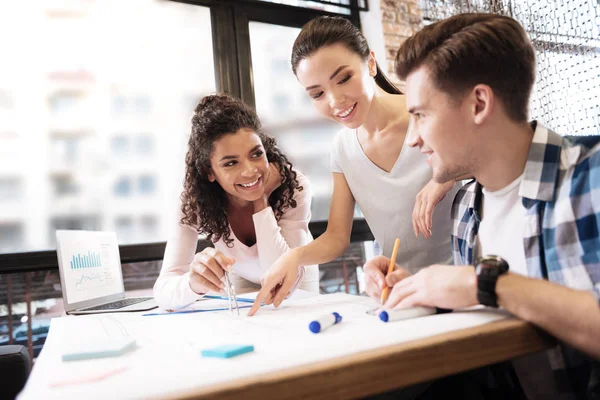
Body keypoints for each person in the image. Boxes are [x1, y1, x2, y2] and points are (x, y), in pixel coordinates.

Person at [364, 13, 599, 398]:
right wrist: (425, 292)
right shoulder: (467, 206)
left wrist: (483, 284)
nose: (413, 140)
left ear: (478, 103)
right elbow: (489, 315)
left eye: (421, 115)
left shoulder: (589, 180)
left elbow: (490, 290)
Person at [248, 16, 463, 315]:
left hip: (462, 285)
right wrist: (293, 258)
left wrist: (444, 177)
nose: (335, 100)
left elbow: (492, 154)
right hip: (400, 295)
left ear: (371, 64)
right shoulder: (342, 148)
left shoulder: (428, 110)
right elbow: (337, 237)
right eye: (318, 94)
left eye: (344, 78)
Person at [153, 93, 319, 310]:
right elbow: (164, 292)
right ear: (209, 172)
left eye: (256, 154)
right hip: (240, 275)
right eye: (231, 163)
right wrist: (192, 283)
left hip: (296, 275)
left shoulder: (293, 187)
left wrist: (261, 199)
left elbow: (281, 281)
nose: (250, 171)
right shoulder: (194, 202)